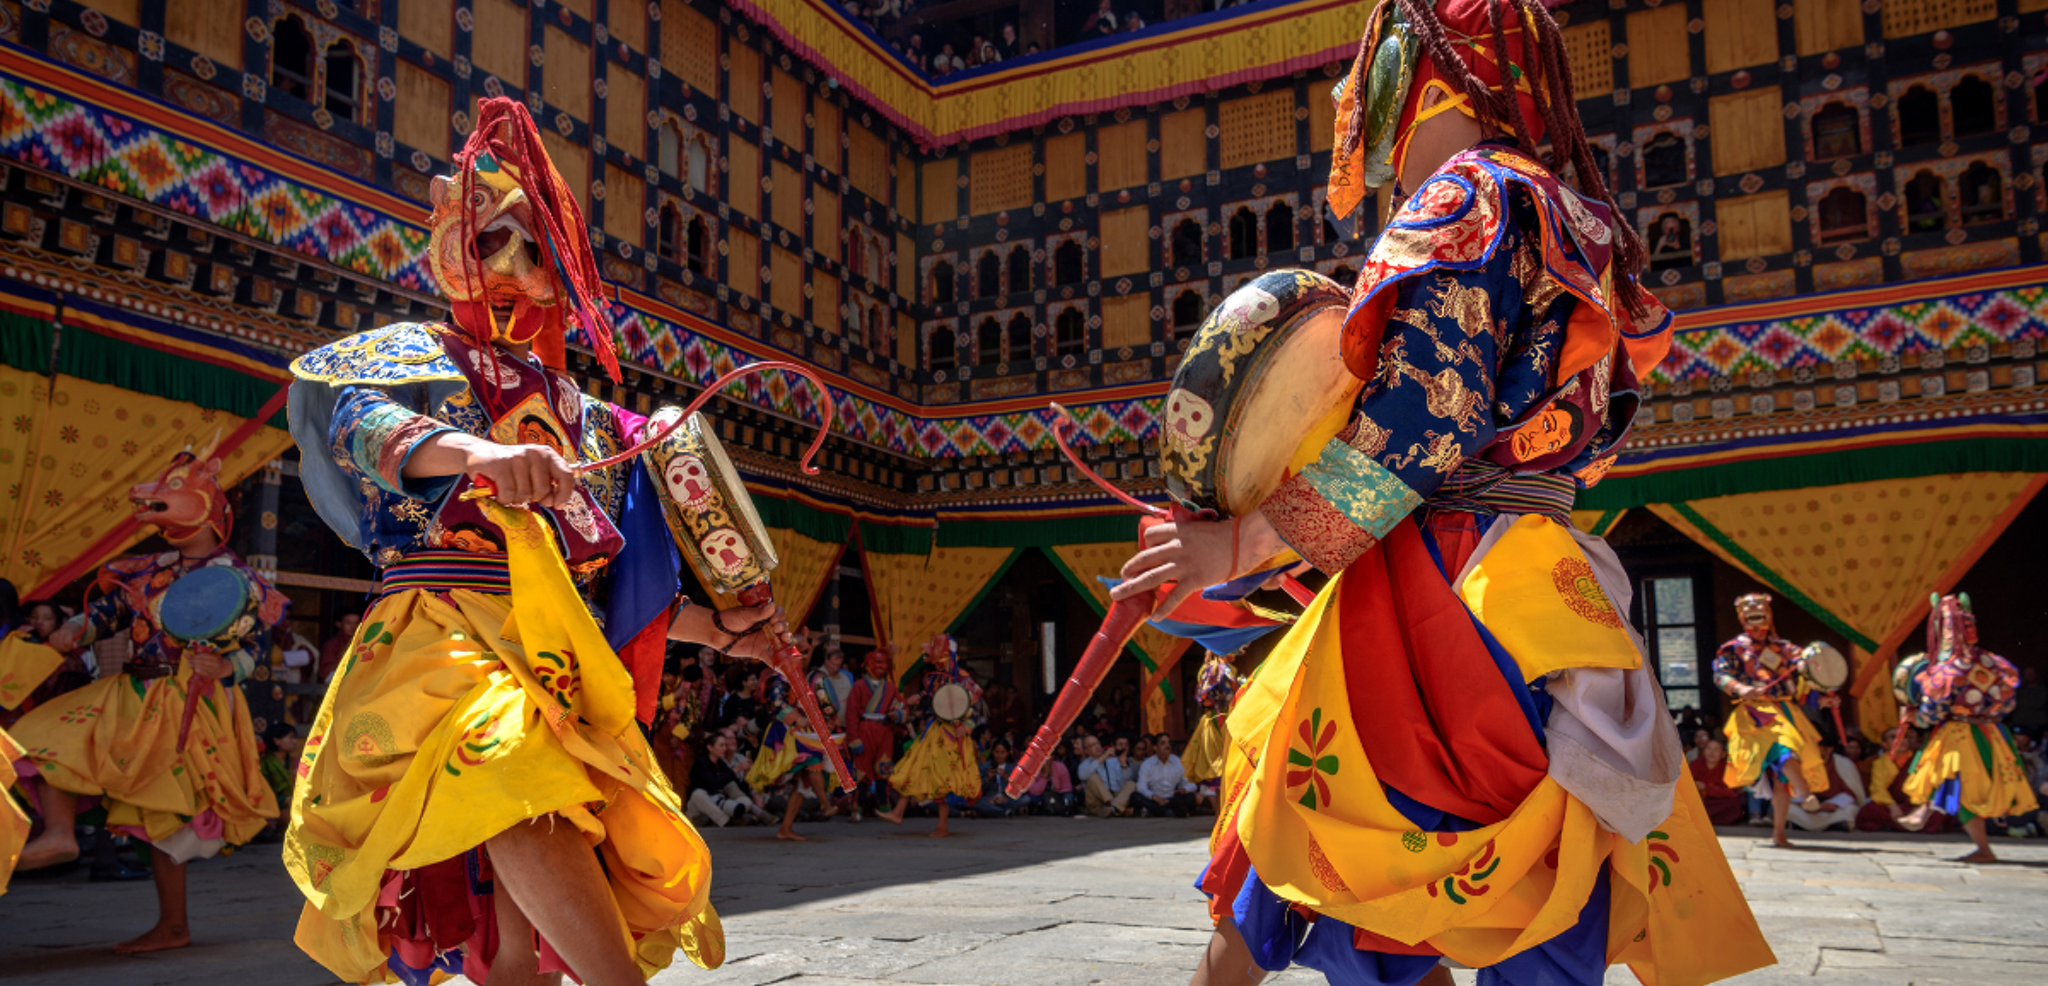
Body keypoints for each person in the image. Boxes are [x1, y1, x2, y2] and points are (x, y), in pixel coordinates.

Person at [1110, 2, 1769, 982]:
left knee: (1301, 855)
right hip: (1543, 578)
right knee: (1535, 892)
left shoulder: (1463, 201)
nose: (1353, 111)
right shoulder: (1567, 214)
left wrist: (1238, 543)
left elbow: (1419, 428)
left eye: (1364, 82)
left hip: (1435, 584)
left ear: (1418, 76)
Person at [279, 99, 796, 985]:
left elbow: (607, 582)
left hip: (557, 642)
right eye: (492, 244)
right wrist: (482, 453)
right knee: (512, 768)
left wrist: (723, 631)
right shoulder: (406, 357)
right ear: (448, 246)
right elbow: (367, 429)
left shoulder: (593, 419)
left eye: (540, 251)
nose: (516, 269)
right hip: (441, 631)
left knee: (524, 935)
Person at [10, 446, 285, 953]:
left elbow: (256, 647)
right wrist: (74, 627)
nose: (152, 499)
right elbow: (109, 613)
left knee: (161, 816)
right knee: (33, 740)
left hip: (187, 704)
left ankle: (173, 926)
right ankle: (59, 834)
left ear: (205, 502)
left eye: (172, 490)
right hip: (130, 689)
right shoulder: (145, 568)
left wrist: (226, 666)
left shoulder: (236, 577)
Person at [1898, 594, 2038, 862]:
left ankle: (1933, 818)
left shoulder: (1947, 670)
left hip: (1959, 735)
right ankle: (1937, 819)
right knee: (1968, 784)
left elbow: (1932, 713)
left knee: (1950, 777)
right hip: (1992, 734)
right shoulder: (1994, 663)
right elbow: (2008, 704)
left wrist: (1915, 719)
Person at [1715, 592, 1837, 849]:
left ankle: (1779, 834)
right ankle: (1807, 795)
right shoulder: (1733, 648)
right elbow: (1721, 675)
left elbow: (1805, 682)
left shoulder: (1788, 650)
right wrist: (1741, 689)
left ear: (1769, 616)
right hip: (1755, 713)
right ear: (1741, 617)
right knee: (1785, 749)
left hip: (1786, 710)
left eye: (1759, 610)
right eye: (1748, 612)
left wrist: (1823, 698)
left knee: (1782, 778)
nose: (1754, 615)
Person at [878, 635, 982, 837]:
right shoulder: (937, 677)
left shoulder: (963, 679)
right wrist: (914, 699)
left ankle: (942, 826)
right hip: (935, 731)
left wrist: (968, 726)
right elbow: (930, 697)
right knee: (913, 767)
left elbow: (975, 705)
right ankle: (898, 812)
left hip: (952, 735)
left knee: (943, 778)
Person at [845, 648, 902, 796]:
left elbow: (902, 706)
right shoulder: (859, 686)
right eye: (878, 662)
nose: (882, 666)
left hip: (885, 731)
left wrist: (898, 714)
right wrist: (854, 738)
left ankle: (883, 805)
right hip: (865, 731)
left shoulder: (891, 688)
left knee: (884, 768)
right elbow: (851, 714)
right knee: (861, 769)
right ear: (868, 663)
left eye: (885, 662)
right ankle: (857, 807)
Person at [1784, 736, 1866, 832]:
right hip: (1805, 807)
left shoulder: (1843, 764)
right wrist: (1805, 804)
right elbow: (1791, 789)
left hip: (1832, 807)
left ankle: (1833, 825)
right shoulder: (1799, 762)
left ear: (1829, 749)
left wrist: (1831, 804)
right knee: (1788, 809)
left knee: (1851, 810)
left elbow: (1851, 792)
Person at [687, 731, 768, 827]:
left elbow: (737, 785)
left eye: (725, 745)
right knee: (698, 794)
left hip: (719, 804)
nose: (725, 748)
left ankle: (720, 819)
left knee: (745, 801)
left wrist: (747, 776)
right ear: (710, 747)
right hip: (701, 807)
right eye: (721, 746)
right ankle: (727, 821)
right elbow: (713, 783)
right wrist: (736, 769)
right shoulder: (701, 763)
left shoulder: (721, 764)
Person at [1183, 652, 1238, 783]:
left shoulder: (1226, 668)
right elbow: (1207, 696)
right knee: (1219, 761)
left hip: (1225, 715)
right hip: (1218, 718)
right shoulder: (1214, 668)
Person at [1132, 734, 1194, 817]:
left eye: (1168, 743)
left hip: (1173, 799)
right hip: (1154, 799)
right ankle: (1168, 812)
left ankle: (1157, 812)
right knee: (1135, 796)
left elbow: (1191, 783)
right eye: (1163, 743)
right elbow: (1141, 786)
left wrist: (1184, 790)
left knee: (1190, 797)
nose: (1167, 746)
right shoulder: (1147, 764)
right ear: (1155, 747)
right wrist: (1154, 797)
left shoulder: (1178, 762)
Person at [1076, 733, 1136, 817]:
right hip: (1097, 802)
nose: (1097, 746)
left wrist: (1123, 765)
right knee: (1093, 778)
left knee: (1131, 784)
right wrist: (1102, 758)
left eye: (1097, 743)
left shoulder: (1114, 760)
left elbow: (1123, 782)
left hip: (1115, 795)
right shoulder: (1085, 764)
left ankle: (1113, 809)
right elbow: (1083, 776)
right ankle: (1117, 808)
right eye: (1093, 745)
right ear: (1086, 751)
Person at [1688, 740, 1746, 826]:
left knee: (1734, 803)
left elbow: (1730, 792)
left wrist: (1706, 787)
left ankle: (1702, 819)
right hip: (1700, 800)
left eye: (1716, 749)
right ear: (1704, 751)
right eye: (1709, 749)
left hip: (1718, 801)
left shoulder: (1727, 768)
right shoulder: (1696, 764)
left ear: (1723, 754)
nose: (1712, 752)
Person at [809, 646, 856, 729]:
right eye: (833, 664)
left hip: (843, 726)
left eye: (838, 665)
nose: (835, 668)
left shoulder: (847, 676)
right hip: (822, 727)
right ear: (826, 660)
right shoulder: (815, 676)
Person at [315, 612, 359, 684]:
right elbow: (326, 673)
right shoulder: (331, 645)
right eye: (348, 623)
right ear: (338, 624)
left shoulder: (364, 643)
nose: (353, 627)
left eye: (356, 623)